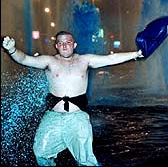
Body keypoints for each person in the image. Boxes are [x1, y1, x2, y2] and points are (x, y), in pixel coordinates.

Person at [2, 31, 143, 166]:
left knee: (85, 158)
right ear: (56, 46)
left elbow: (111, 59)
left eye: (68, 42)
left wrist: (136, 54)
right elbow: (25, 59)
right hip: (53, 117)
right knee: (40, 153)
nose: (64, 45)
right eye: (60, 43)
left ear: (74, 45)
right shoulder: (49, 61)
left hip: (78, 118)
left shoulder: (85, 60)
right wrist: (12, 50)